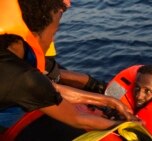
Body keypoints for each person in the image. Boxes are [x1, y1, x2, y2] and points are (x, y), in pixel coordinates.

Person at [0, 0, 138, 140]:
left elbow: (51, 88)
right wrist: (127, 126)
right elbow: (76, 118)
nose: (52, 42)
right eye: (53, 34)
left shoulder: (10, 50)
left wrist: (109, 101)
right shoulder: (23, 77)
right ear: (34, 34)